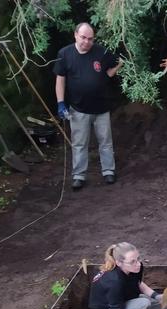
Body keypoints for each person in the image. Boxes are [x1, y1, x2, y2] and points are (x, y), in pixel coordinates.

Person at [53, 22, 123, 191]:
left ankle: (108, 171)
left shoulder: (101, 52)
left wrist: (111, 72)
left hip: (101, 107)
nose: (87, 42)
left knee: (105, 142)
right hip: (78, 108)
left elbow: (117, 63)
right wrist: (61, 103)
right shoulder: (65, 54)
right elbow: (60, 79)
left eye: (90, 39)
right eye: (83, 37)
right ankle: (78, 176)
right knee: (79, 143)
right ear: (75, 35)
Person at [88, 242, 167, 309]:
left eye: (138, 259)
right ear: (119, 263)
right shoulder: (113, 281)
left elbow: (138, 283)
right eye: (132, 262)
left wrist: (156, 296)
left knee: (155, 301)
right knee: (144, 303)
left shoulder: (134, 267)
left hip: (123, 299)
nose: (138, 264)